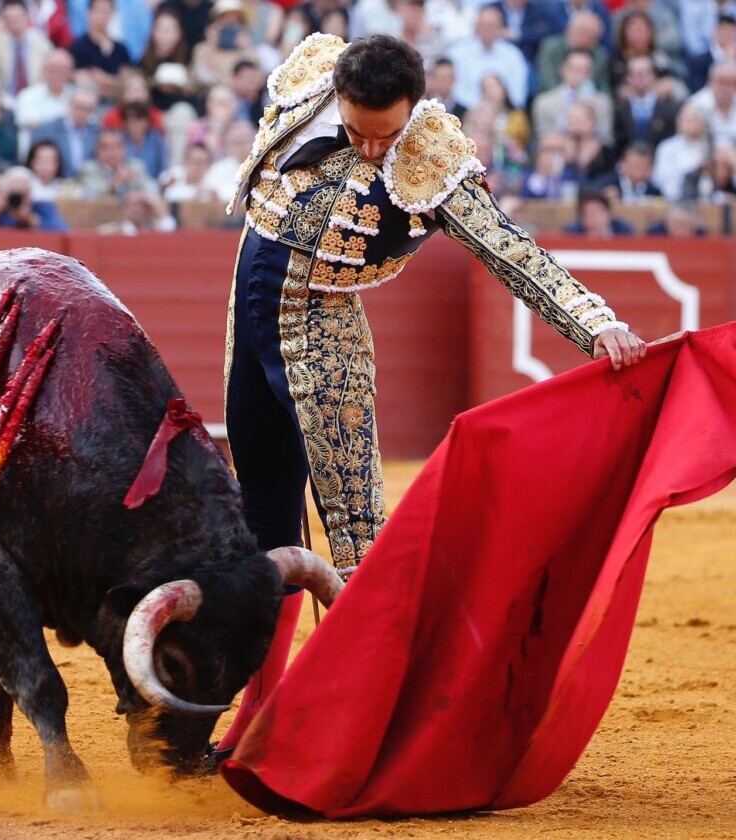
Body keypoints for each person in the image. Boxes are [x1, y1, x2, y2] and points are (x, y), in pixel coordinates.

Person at [211, 33, 646, 767]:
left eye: (386, 135)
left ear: (414, 111)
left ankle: (371, 729)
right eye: (356, 132)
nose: (373, 150)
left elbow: (510, 251)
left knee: (357, 542)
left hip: (324, 338)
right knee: (264, 525)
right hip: (247, 315)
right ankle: (255, 722)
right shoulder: (313, 75)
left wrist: (596, 322)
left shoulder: (434, 156)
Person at [0, 164, 68, 229]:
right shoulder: (1, 210)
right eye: (15, 193)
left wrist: (30, 219)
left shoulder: (42, 207)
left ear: (30, 193)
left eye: (24, 194)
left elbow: (61, 230)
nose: (19, 198)